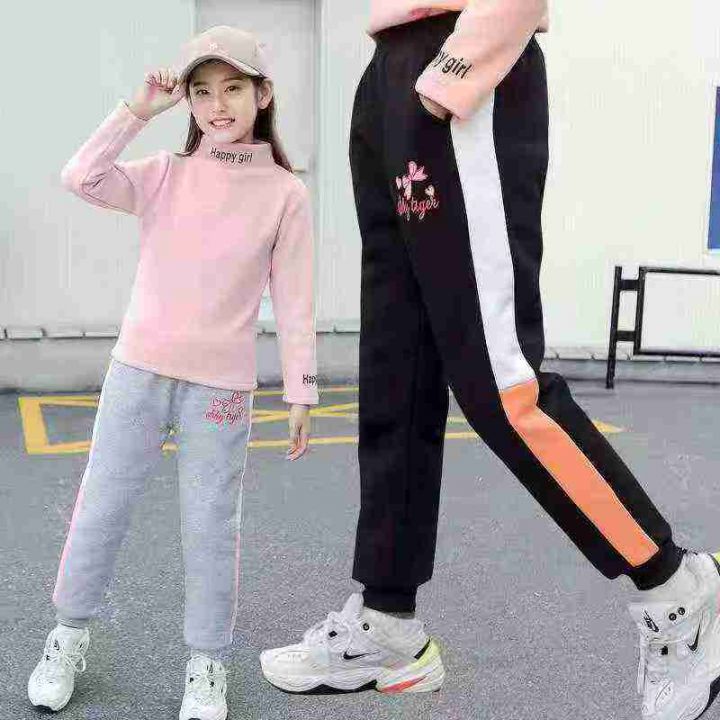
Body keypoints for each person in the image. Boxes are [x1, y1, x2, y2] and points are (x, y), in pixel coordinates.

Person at [260, 3, 720, 719]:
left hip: (460, 59)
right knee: (397, 376)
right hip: (389, 72)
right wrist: (394, 84)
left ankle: (677, 590)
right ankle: (388, 622)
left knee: (502, 387)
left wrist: (459, 64)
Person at [26, 25, 318, 720]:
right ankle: (67, 636)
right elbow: (81, 176)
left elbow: (295, 300)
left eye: (233, 88)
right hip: (138, 370)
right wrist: (137, 111)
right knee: (101, 508)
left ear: (263, 95)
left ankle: (206, 665)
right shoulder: (165, 173)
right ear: (187, 102)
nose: (218, 105)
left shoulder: (285, 194)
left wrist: (301, 389)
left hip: (221, 388)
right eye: (202, 92)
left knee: (213, 527)